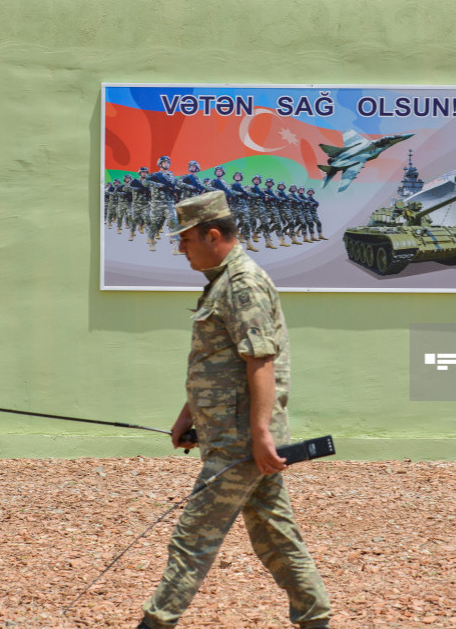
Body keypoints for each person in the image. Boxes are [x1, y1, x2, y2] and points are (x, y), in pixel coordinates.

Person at [136, 190, 331, 629]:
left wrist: (260, 435)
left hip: (240, 442)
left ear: (212, 235)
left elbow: (260, 360)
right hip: (232, 434)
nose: (180, 248)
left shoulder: (243, 283)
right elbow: (220, 361)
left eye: (185, 239)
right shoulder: (223, 281)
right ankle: (315, 618)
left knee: (193, 537)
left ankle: (156, 623)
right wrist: (189, 415)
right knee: (275, 536)